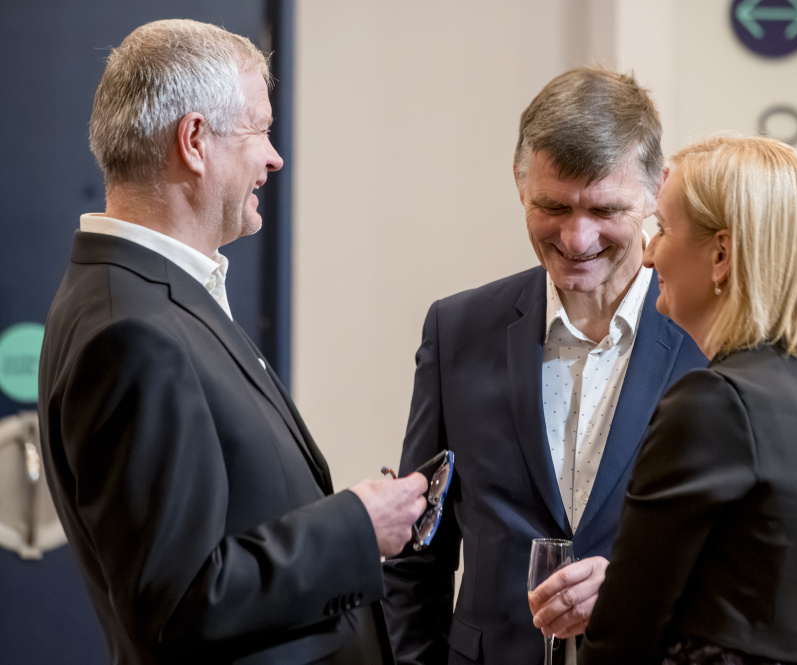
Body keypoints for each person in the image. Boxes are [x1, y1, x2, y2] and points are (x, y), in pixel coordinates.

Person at [37, 19, 427, 665]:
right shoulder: (133, 332)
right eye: (259, 131)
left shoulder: (145, 294)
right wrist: (357, 526)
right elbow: (182, 603)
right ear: (194, 141)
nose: (274, 158)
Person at [382, 66, 707, 665]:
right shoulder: (456, 330)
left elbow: (746, 559)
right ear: (518, 182)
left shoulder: (709, 341)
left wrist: (635, 590)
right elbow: (416, 554)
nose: (577, 239)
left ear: (656, 191)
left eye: (605, 209)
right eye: (552, 206)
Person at [572, 134, 797, 665]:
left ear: (721, 254)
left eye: (663, 228)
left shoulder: (714, 403)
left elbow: (622, 638)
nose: (648, 255)